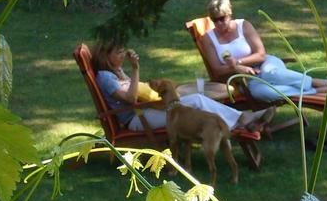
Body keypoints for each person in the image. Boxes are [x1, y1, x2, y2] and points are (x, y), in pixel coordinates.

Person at [91, 42, 275, 133]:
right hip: (137, 119)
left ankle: (242, 120)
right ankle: (242, 120)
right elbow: (131, 99)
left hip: (149, 110)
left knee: (197, 100)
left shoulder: (116, 72)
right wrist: (136, 69)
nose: (123, 55)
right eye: (118, 52)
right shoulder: (105, 77)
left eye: (123, 50)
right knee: (196, 101)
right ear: (105, 56)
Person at [198, 0, 327, 102]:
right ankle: (314, 90)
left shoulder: (243, 26)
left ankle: (316, 82)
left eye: (222, 18)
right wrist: (236, 68)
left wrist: (238, 62)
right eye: (214, 20)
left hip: (265, 63)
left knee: (270, 73)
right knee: (261, 93)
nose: (219, 23)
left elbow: (261, 54)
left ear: (230, 13)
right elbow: (216, 70)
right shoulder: (208, 38)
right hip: (244, 78)